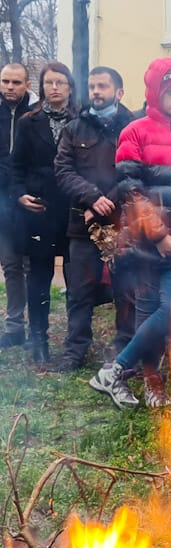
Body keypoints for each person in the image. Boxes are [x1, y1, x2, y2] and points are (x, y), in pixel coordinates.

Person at [89, 57, 171, 409]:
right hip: (144, 244)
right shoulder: (135, 131)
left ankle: (115, 370)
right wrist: (158, 235)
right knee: (147, 308)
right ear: (155, 92)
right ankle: (152, 383)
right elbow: (130, 188)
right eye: (170, 91)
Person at [53, 66, 136, 371]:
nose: (96, 92)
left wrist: (108, 200)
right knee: (79, 291)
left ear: (119, 92)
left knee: (125, 290)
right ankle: (75, 350)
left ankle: (125, 352)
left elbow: (135, 173)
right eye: (92, 87)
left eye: (103, 86)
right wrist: (91, 196)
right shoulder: (74, 128)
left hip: (123, 225)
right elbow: (62, 170)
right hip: (83, 225)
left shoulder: (134, 127)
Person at [10, 62, 78, 364]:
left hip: (75, 209)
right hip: (39, 210)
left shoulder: (82, 121)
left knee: (77, 277)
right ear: (42, 88)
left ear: (70, 88)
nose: (54, 88)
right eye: (49, 83)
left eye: (60, 82)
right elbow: (16, 167)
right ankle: (38, 338)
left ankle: (76, 341)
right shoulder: (28, 122)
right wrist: (20, 194)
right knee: (39, 276)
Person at [0, 63, 32, 349]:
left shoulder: (34, 115)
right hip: (1, 201)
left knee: (32, 266)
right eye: (5, 81)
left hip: (28, 200)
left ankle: (37, 326)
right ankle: (14, 326)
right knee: (10, 265)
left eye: (16, 82)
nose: (10, 87)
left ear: (27, 85)